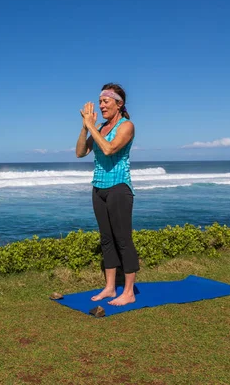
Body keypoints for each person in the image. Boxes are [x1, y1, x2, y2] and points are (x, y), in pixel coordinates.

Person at [75, 83, 139, 306]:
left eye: (105, 101)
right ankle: (110, 288)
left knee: (123, 240)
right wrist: (86, 127)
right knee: (106, 239)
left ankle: (129, 292)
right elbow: (80, 152)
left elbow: (109, 148)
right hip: (98, 188)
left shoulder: (126, 126)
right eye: (100, 101)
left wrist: (92, 127)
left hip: (119, 188)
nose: (101, 105)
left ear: (119, 104)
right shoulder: (98, 127)